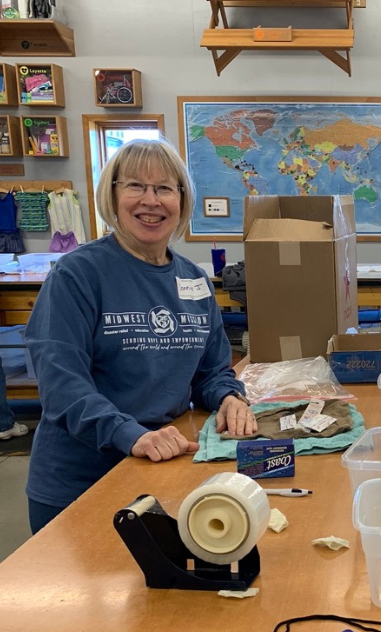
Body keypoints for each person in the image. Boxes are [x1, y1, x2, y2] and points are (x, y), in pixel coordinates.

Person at [24, 139, 258, 533]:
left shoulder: (194, 280)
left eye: (165, 188)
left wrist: (229, 397)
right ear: (112, 196)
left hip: (160, 470)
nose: (151, 200)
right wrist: (131, 435)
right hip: (81, 484)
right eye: (135, 186)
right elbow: (62, 386)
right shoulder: (77, 275)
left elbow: (211, 372)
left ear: (181, 201)